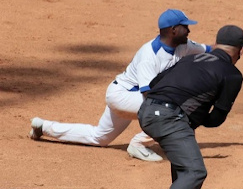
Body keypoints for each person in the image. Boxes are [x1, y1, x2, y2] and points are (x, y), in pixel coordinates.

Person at [29, 9, 213, 162]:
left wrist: (235, 47)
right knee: (174, 109)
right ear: (173, 30)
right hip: (123, 96)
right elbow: (150, 97)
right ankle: (138, 144)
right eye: (185, 26)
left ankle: (42, 127)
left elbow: (213, 50)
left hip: (129, 96)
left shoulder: (185, 45)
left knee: (99, 138)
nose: (189, 30)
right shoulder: (150, 55)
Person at [138, 25, 243, 189]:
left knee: (183, 138)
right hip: (167, 117)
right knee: (194, 170)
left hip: (146, 110)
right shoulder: (232, 74)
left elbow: (155, 83)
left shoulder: (190, 59)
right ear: (239, 52)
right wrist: (198, 113)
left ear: (215, 44)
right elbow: (216, 119)